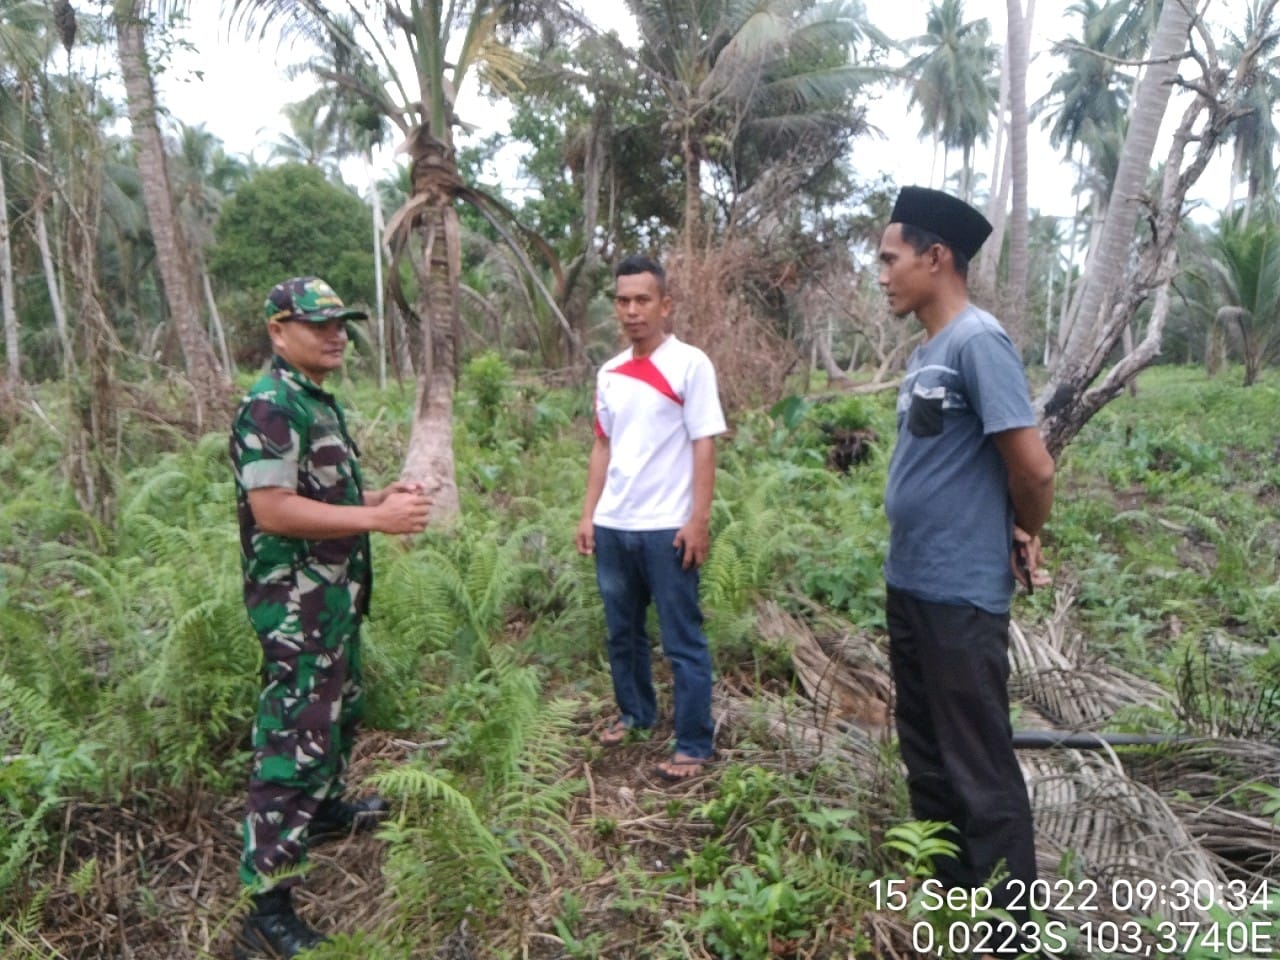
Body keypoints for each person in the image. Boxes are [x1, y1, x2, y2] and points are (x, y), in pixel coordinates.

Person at [229, 276, 431, 958]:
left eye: (341, 322)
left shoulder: (311, 399)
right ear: (278, 331)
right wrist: (376, 516)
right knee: (291, 739)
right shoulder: (270, 404)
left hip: (331, 600)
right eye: (318, 323)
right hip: (296, 607)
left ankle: (323, 811)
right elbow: (274, 509)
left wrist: (377, 496)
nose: (336, 333)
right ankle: (267, 903)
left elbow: (325, 493)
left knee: (333, 715)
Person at [877, 187, 1055, 950]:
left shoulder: (979, 342)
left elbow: (1034, 468)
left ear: (935, 257)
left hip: (959, 595)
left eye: (890, 259)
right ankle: (958, 909)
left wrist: (1026, 528)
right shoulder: (926, 354)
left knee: (978, 767)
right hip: (911, 583)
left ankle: (1009, 932)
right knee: (928, 758)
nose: (881, 274)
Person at [575, 255, 727, 782]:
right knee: (623, 633)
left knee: (682, 638)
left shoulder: (690, 364)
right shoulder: (610, 373)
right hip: (617, 526)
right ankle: (636, 714)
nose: (632, 311)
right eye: (623, 301)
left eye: (643, 300)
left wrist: (698, 518)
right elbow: (602, 445)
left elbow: (704, 443)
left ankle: (692, 743)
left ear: (666, 305)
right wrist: (589, 515)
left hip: (668, 526)